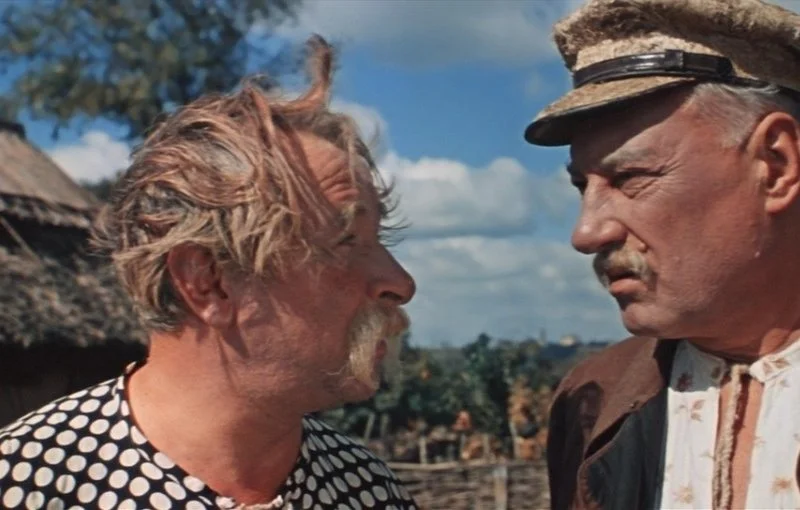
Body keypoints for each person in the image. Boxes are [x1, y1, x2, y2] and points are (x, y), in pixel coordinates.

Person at [0, 35, 419, 510]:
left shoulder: (370, 490)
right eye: (346, 241)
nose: (401, 283)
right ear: (208, 282)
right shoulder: (28, 486)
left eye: (379, 241)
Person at [524, 0, 800, 508]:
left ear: (775, 164)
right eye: (582, 186)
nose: (586, 233)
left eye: (631, 178)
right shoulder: (594, 399)